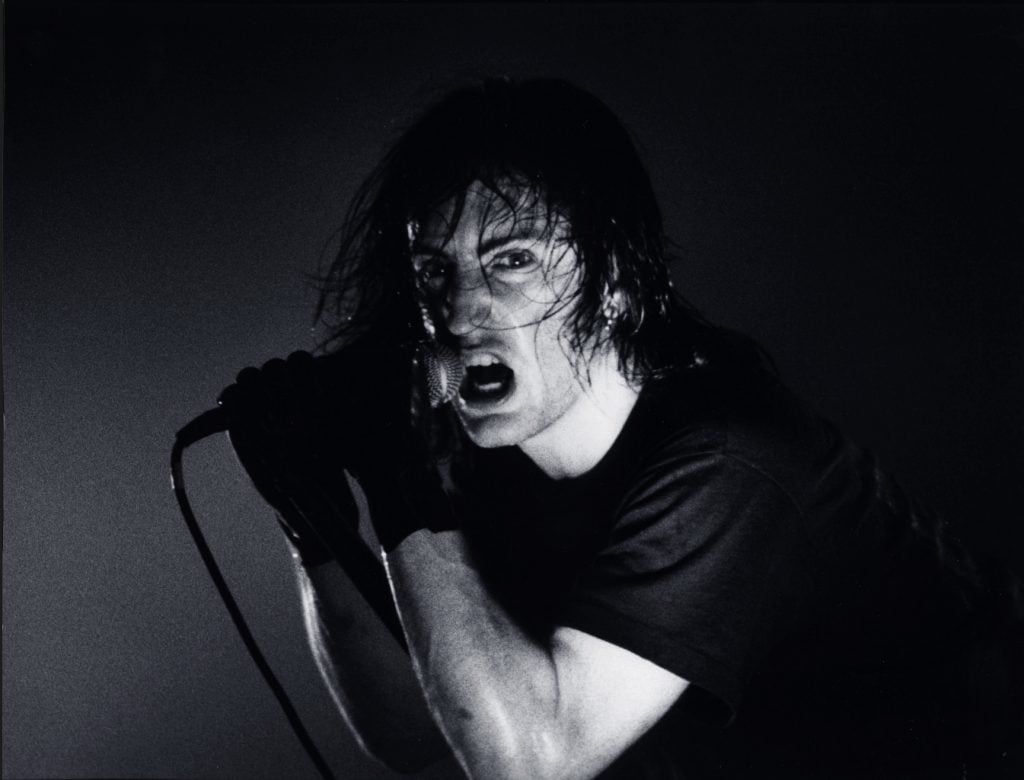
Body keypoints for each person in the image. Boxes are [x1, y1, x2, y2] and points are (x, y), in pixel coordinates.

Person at [219, 78, 1024, 779]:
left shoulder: (727, 466)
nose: (461, 312)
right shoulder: (480, 475)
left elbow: (529, 761)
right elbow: (412, 731)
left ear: (616, 283)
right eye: (435, 270)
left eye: (512, 260)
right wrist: (316, 529)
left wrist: (402, 482)